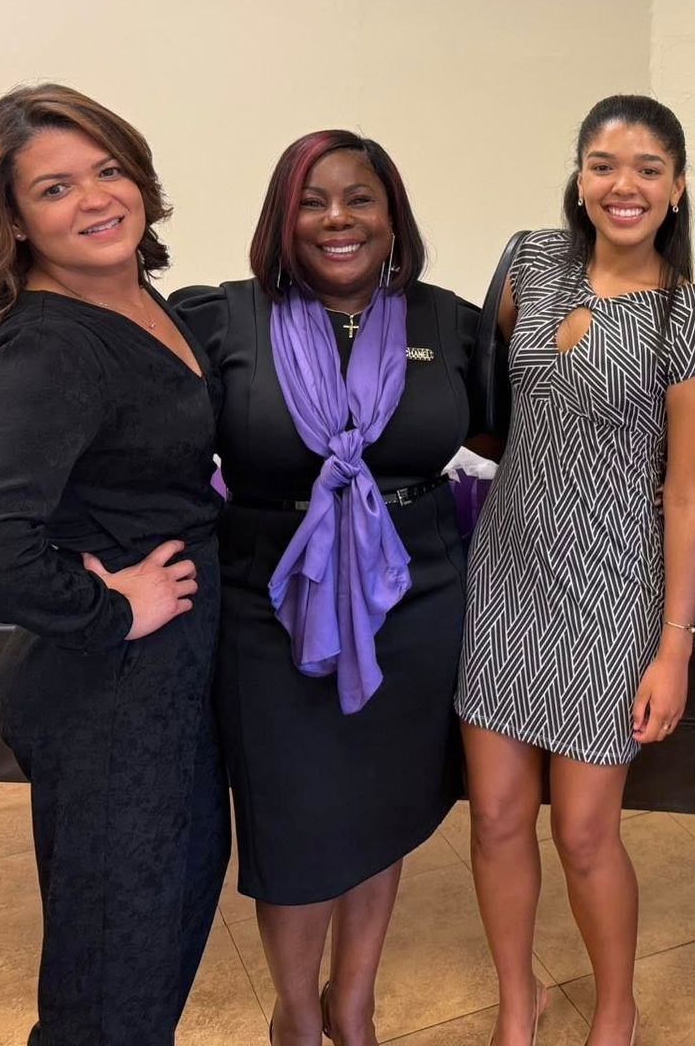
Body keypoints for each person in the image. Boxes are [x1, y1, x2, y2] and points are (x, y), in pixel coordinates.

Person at [173, 131, 481, 1046]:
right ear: (282, 217)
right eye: (313, 201)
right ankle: (298, 1014)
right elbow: (133, 426)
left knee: (380, 806)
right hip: (271, 601)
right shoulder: (221, 318)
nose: (338, 219)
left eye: (360, 199)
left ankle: (356, 1002)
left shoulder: (449, 322)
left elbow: (518, 440)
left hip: (415, 596)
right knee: (296, 821)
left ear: (393, 217)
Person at [0, 84, 229, 1046]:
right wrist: (114, 611)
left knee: (159, 930)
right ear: (14, 222)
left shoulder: (141, 302)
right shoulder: (50, 348)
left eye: (109, 171)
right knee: (111, 976)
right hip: (111, 690)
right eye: (55, 187)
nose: (97, 198)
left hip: (163, 687)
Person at [455, 94, 695, 1046]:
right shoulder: (531, 261)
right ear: (580, 175)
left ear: (678, 187)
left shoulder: (688, 319)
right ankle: (516, 1006)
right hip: (507, 577)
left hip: (614, 593)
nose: (626, 185)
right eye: (606, 164)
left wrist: (675, 647)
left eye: (649, 168)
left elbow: (688, 493)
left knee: (581, 831)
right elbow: (487, 401)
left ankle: (616, 1008)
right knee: (493, 818)